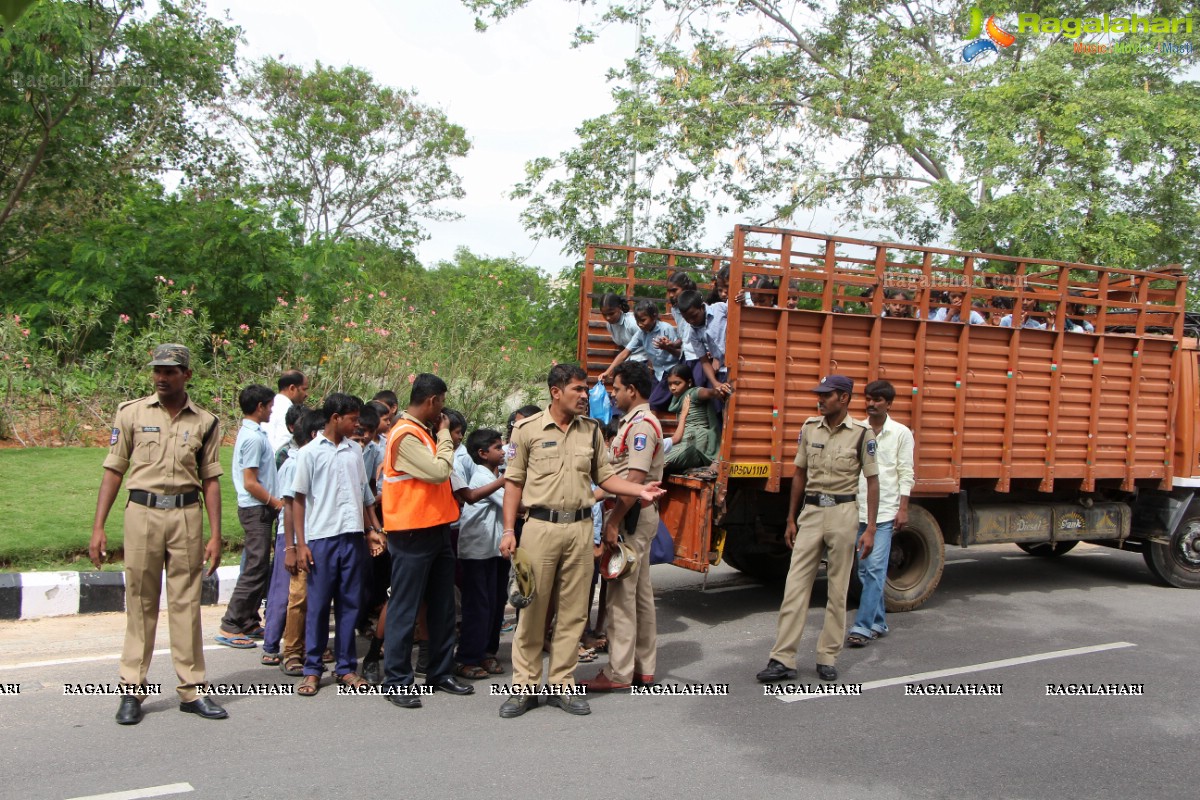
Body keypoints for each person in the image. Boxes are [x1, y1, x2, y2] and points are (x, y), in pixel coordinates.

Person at [497, 363, 666, 719]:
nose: (585, 396)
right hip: (539, 528)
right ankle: (524, 689)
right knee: (532, 611)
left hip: (579, 529)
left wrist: (638, 489)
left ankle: (561, 685)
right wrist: (509, 530)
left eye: (586, 389)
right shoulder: (525, 430)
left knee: (574, 613)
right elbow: (513, 483)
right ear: (556, 392)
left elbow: (605, 477)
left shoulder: (590, 431)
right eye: (577, 389)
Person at [89, 343, 227, 724]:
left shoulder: (206, 422)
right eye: (157, 370)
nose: (162, 377)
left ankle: (192, 690)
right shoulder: (131, 413)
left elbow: (211, 479)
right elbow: (114, 470)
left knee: (186, 603)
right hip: (142, 514)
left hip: (186, 515)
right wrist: (99, 527)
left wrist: (216, 535)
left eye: (170, 371)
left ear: (187, 375)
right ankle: (132, 690)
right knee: (140, 602)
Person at [756, 375, 879, 685]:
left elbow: (872, 481)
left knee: (837, 591)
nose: (820, 399)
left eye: (827, 395)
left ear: (845, 398)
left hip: (843, 512)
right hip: (811, 512)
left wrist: (871, 528)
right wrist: (791, 518)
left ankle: (827, 656)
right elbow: (799, 473)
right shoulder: (809, 427)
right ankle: (782, 658)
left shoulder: (862, 435)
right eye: (820, 394)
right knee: (795, 586)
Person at [379, 374, 474, 708]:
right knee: (405, 609)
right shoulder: (405, 434)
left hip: (435, 530)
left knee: (443, 606)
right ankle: (397, 681)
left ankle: (440, 672)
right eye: (442, 403)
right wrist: (446, 435)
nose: (443, 411)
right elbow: (437, 472)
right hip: (411, 534)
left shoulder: (420, 432)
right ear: (432, 400)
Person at [292, 393, 384, 696]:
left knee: (349, 605)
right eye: (352, 419)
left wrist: (372, 528)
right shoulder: (309, 453)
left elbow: (364, 494)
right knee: (318, 606)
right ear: (335, 418)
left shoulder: (354, 452)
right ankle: (313, 669)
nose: (357, 425)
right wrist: (300, 544)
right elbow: (299, 500)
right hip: (321, 538)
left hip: (352, 536)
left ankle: (346, 668)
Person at [582, 362, 665, 691]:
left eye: (616, 388)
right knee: (640, 594)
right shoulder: (633, 423)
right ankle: (643, 667)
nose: (612, 394)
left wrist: (613, 521)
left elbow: (634, 479)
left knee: (619, 595)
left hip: (630, 515)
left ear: (632, 390)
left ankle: (617, 673)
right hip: (634, 513)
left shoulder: (642, 425)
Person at [845, 380, 914, 648]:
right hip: (858, 510)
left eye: (877, 400)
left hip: (884, 512)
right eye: (868, 399)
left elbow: (905, 472)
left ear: (889, 404)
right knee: (863, 571)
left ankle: (862, 627)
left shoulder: (901, 433)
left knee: (874, 569)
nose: (871, 404)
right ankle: (879, 621)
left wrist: (903, 508)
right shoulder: (857, 430)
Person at [216, 384, 283, 649]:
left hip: (257, 508)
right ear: (260, 407)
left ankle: (247, 621)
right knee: (255, 568)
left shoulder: (252, 433)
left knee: (259, 566)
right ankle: (231, 624)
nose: (272, 410)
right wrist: (275, 502)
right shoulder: (254, 438)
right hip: (256, 508)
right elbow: (250, 482)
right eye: (269, 406)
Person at [265, 409, 324, 672]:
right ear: (314, 434)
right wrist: (291, 547)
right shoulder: (295, 462)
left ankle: (312, 645)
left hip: (320, 537)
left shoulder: (319, 459)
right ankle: (291, 651)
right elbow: (289, 507)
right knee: (297, 596)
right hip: (302, 540)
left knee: (316, 597)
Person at [454, 428, 510, 679]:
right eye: (498, 448)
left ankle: (487, 651)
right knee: (478, 605)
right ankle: (467, 657)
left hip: (495, 550)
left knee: (496, 603)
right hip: (477, 551)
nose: (502, 451)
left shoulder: (495, 475)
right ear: (482, 453)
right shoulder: (481, 478)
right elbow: (516, 505)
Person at [600, 299, 681, 412]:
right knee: (641, 400)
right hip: (658, 375)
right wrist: (607, 372)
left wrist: (667, 347)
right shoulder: (641, 334)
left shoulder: (666, 328)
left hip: (671, 373)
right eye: (638, 321)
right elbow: (625, 353)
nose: (640, 324)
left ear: (654, 316)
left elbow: (680, 354)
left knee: (651, 404)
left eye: (643, 320)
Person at [676, 289, 733, 400]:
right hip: (721, 370)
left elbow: (738, 315)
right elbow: (704, 361)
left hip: (737, 363)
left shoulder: (719, 308)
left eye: (694, 316)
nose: (691, 321)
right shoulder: (693, 333)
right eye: (686, 319)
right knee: (722, 402)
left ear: (702, 307)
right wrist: (715, 383)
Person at [662, 364, 720, 474]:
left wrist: (716, 391)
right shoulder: (678, 399)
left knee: (661, 461)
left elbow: (705, 392)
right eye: (670, 384)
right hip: (684, 440)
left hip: (696, 442)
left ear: (689, 382)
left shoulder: (693, 393)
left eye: (677, 383)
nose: (673, 387)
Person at [597, 293, 647, 376]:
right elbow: (621, 347)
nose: (608, 318)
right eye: (604, 314)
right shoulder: (610, 325)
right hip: (629, 361)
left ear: (619, 308)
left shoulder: (632, 322)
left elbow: (651, 344)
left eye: (611, 313)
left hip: (644, 360)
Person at [264, 370, 309, 452]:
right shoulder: (287, 410)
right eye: (304, 389)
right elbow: (283, 445)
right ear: (292, 388)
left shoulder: (271, 405)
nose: (306, 394)